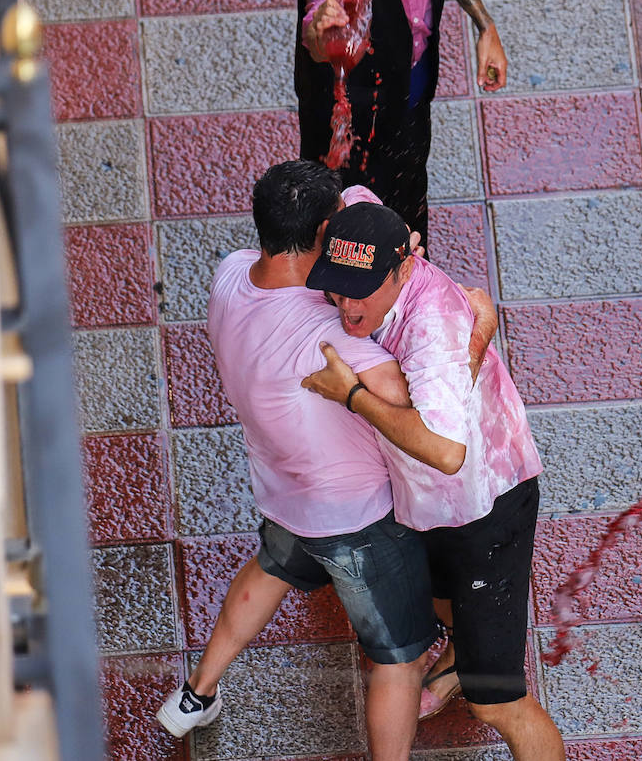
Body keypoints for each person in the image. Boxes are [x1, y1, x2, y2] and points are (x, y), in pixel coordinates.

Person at [155, 161, 465, 760]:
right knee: (398, 659)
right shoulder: (330, 334)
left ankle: (198, 693)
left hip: (282, 485)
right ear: (327, 233)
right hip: (357, 517)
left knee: (270, 568)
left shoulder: (230, 275)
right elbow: (412, 401)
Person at [302, 198, 566, 761]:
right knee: (442, 599)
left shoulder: (434, 331)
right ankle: (455, 661)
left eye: (362, 290)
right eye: (337, 287)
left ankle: (472, 672)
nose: (348, 306)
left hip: (484, 511)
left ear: (401, 269)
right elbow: (356, 198)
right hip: (432, 507)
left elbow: (446, 452)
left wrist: (352, 395)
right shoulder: (371, 237)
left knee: (498, 703)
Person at [295, 0, 507, 248]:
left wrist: (485, 24)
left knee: (408, 215)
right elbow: (318, 25)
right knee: (347, 236)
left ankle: (408, 287)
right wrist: (320, 30)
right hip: (350, 131)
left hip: (410, 103)